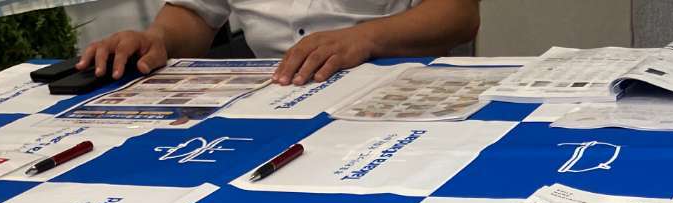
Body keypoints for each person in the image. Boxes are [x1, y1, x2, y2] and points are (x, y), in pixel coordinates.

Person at [78, 0, 481, 87]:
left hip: (390, 81)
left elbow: (458, 15)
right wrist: (156, 39)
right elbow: (196, 13)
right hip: (274, 89)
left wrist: (365, 38)